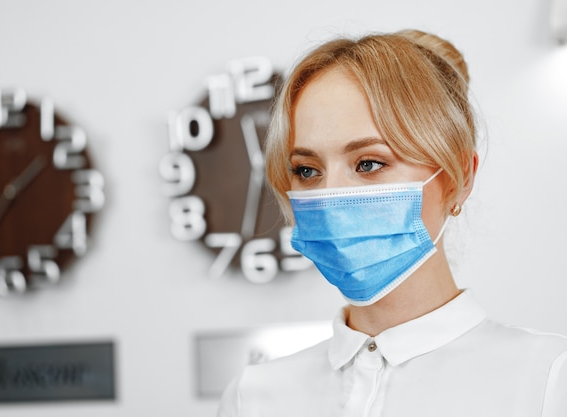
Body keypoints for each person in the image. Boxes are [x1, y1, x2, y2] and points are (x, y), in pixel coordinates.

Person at [216, 29, 567, 417]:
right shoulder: (253, 397)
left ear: (459, 178)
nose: (329, 197)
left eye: (369, 163)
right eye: (307, 170)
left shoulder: (547, 378)